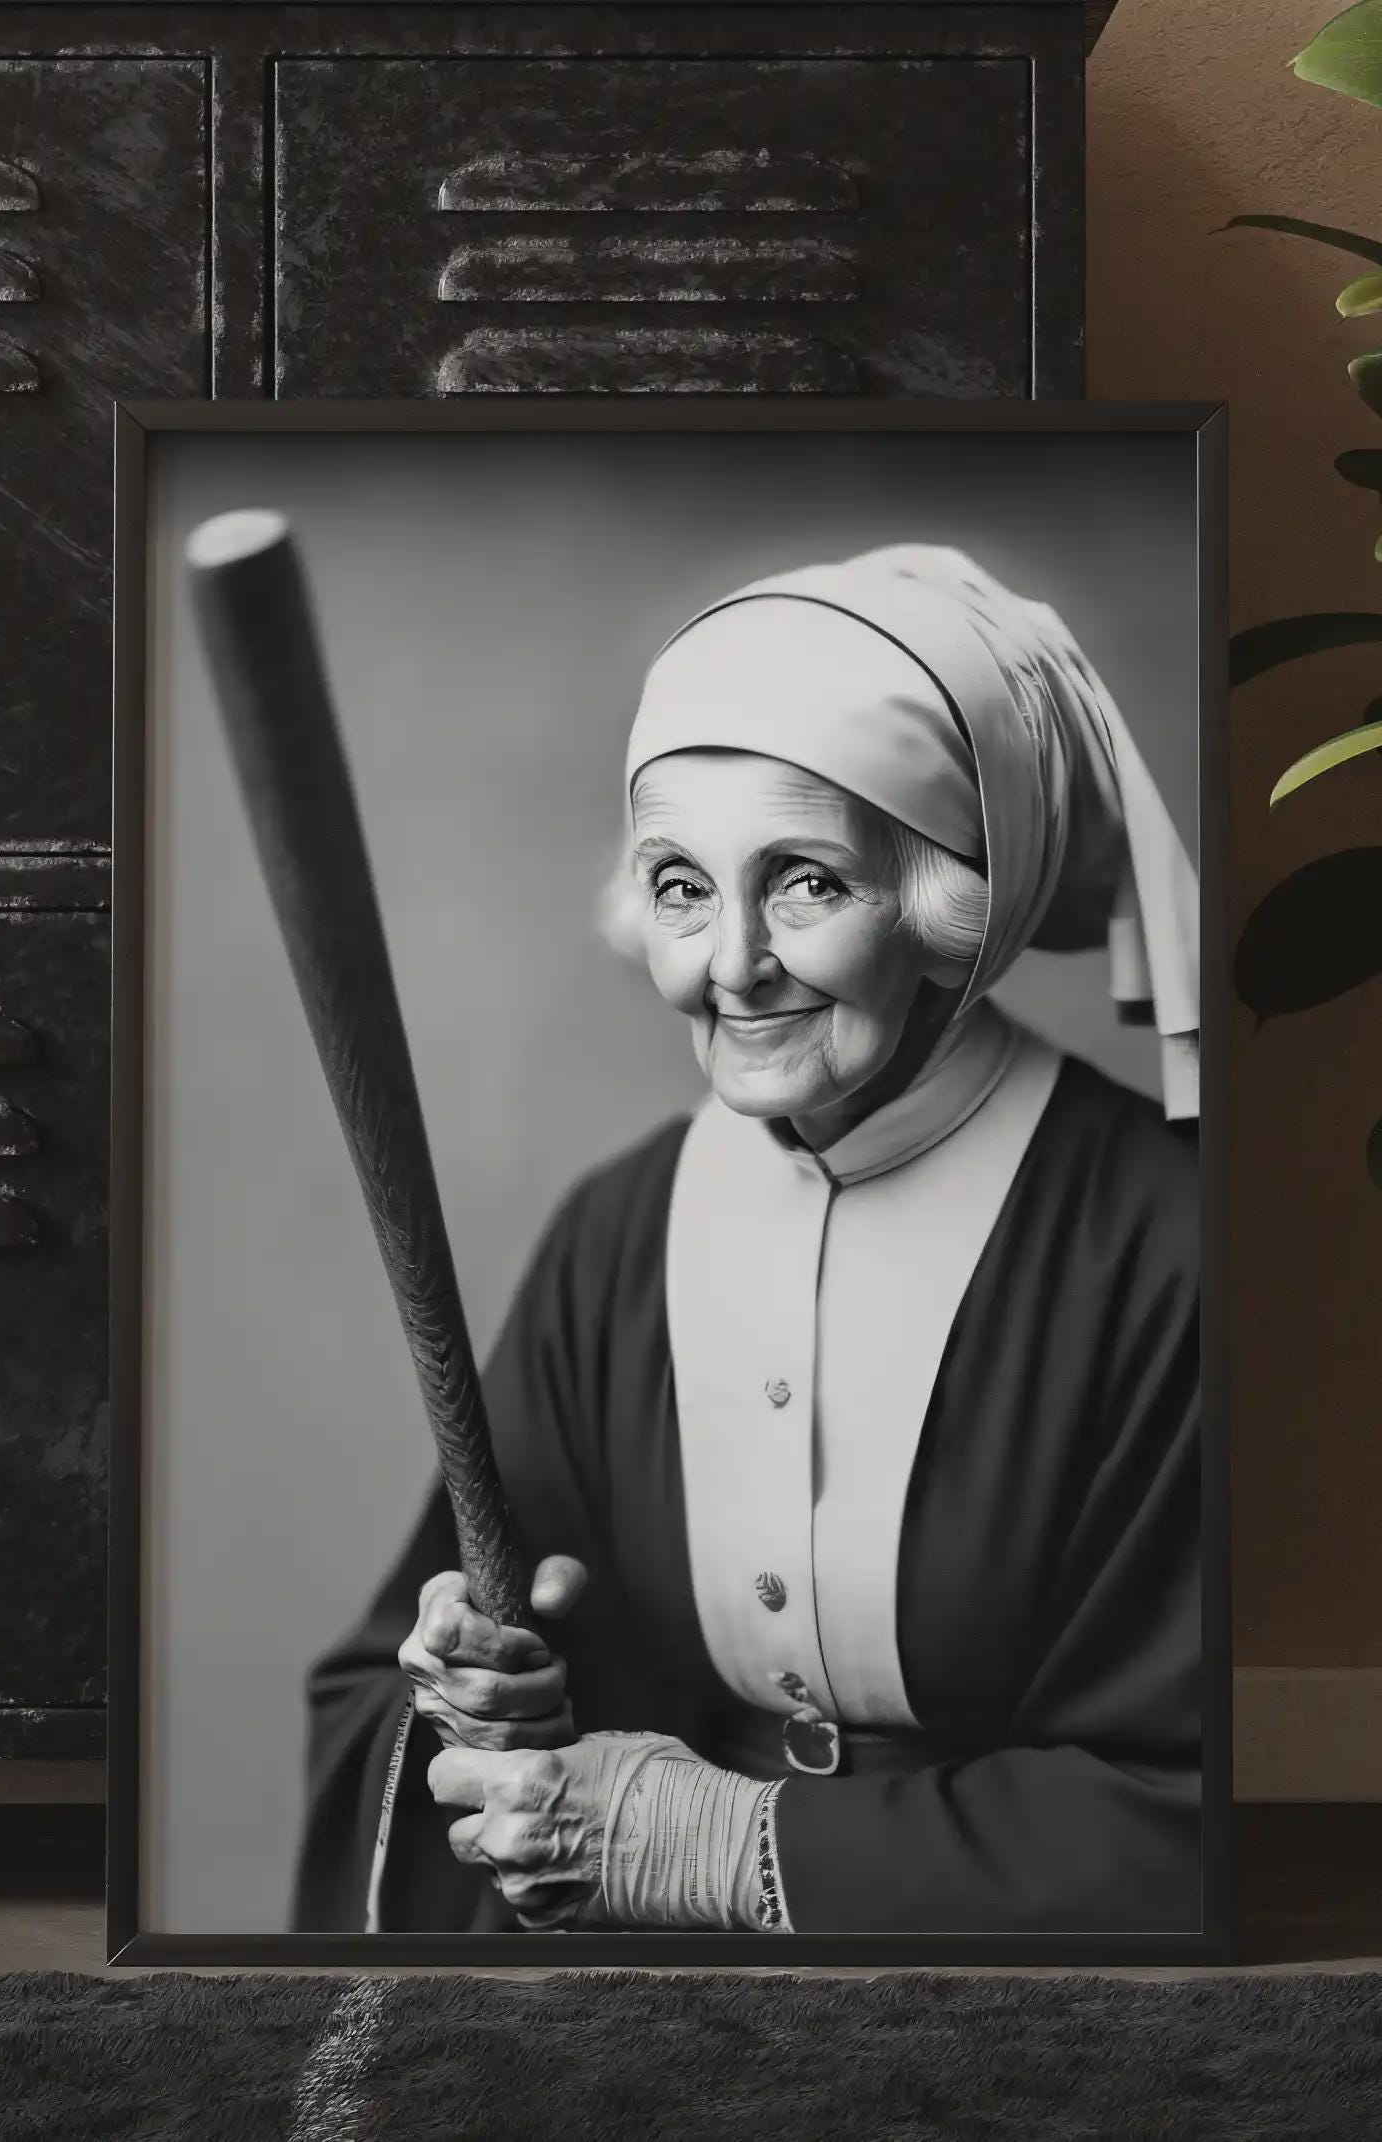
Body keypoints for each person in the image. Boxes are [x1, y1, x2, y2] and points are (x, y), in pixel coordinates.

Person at [288, 543, 1204, 1934]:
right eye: (680, 886)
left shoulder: (1158, 1238)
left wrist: (733, 1843)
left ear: (955, 905)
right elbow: (431, 1683)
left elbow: (1187, 1809)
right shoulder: (619, 1228)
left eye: (805, 884)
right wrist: (494, 1690)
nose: (729, 965)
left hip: (1016, 2001)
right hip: (650, 1991)